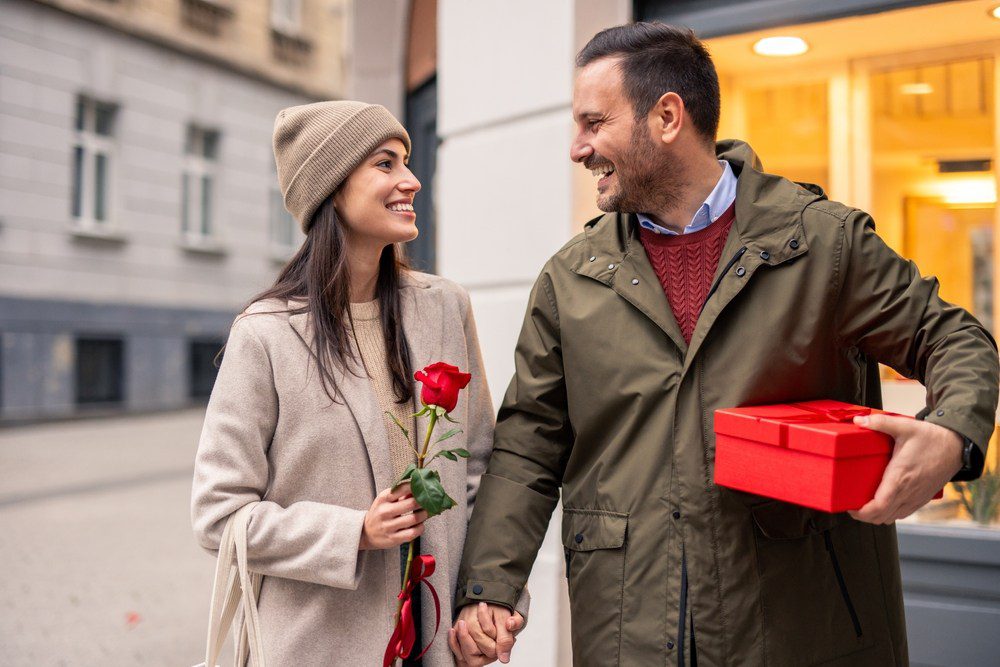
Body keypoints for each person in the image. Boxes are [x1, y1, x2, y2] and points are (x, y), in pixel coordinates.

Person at [448, 22, 999, 667]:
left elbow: (954, 336)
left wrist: (951, 432)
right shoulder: (570, 279)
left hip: (799, 631)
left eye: (594, 123)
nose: (578, 148)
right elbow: (527, 444)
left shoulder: (822, 244)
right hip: (629, 631)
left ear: (667, 117)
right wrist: (488, 586)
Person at [191, 100, 524, 666]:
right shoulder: (266, 335)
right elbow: (219, 515)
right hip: (316, 648)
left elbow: (477, 471)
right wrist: (354, 532)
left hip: (431, 642)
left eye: (407, 162)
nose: (411, 181)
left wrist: (482, 603)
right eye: (385, 164)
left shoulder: (444, 308)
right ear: (331, 188)